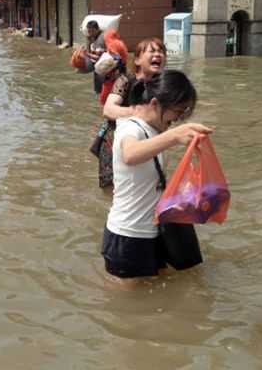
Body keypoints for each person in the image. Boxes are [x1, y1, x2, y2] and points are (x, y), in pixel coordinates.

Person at [101, 70, 213, 287]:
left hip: (152, 232)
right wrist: (174, 136)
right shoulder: (130, 127)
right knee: (126, 309)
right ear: (154, 103)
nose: (178, 120)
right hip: (128, 235)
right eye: (177, 112)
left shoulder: (152, 129)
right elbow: (130, 154)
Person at [97, 37, 167, 189]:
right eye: (152, 51)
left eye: (161, 52)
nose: (158, 55)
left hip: (147, 142)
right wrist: (139, 112)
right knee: (114, 189)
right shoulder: (126, 80)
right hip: (117, 142)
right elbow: (108, 109)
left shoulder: (163, 86)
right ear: (137, 61)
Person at [84, 20, 106, 94]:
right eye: (89, 31)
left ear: (98, 29)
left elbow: (100, 58)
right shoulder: (91, 38)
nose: (91, 33)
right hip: (98, 66)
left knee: (100, 90)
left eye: (93, 31)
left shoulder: (101, 39)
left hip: (104, 67)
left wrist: (87, 54)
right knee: (98, 90)